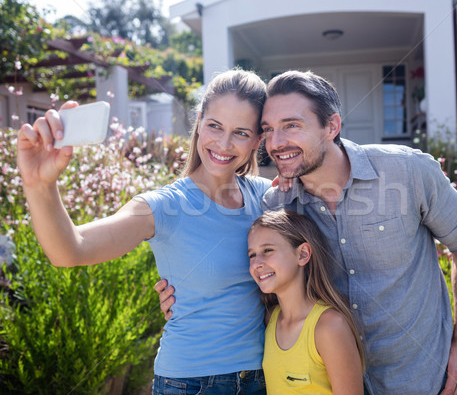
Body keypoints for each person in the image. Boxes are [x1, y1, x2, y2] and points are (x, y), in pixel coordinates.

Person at [157, 70, 457, 395]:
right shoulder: (278, 205)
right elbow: (260, 276)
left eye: (292, 126)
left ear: (331, 126)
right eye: (268, 130)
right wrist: (184, 293)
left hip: (421, 380)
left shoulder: (408, 171)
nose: (276, 143)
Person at [17, 69, 271, 394]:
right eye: (215, 126)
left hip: (261, 377)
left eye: (240, 132)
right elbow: (71, 250)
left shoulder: (266, 197)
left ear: (257, 140)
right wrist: (39, 184)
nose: (223, 143)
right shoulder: (165, 206)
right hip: (191, 383)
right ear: (199, 123)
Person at [247, 209, 365, 395]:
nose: (256, 264)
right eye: (252, 255)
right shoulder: (271, 319)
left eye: (267, 250)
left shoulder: (329, 327)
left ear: (302, 254)